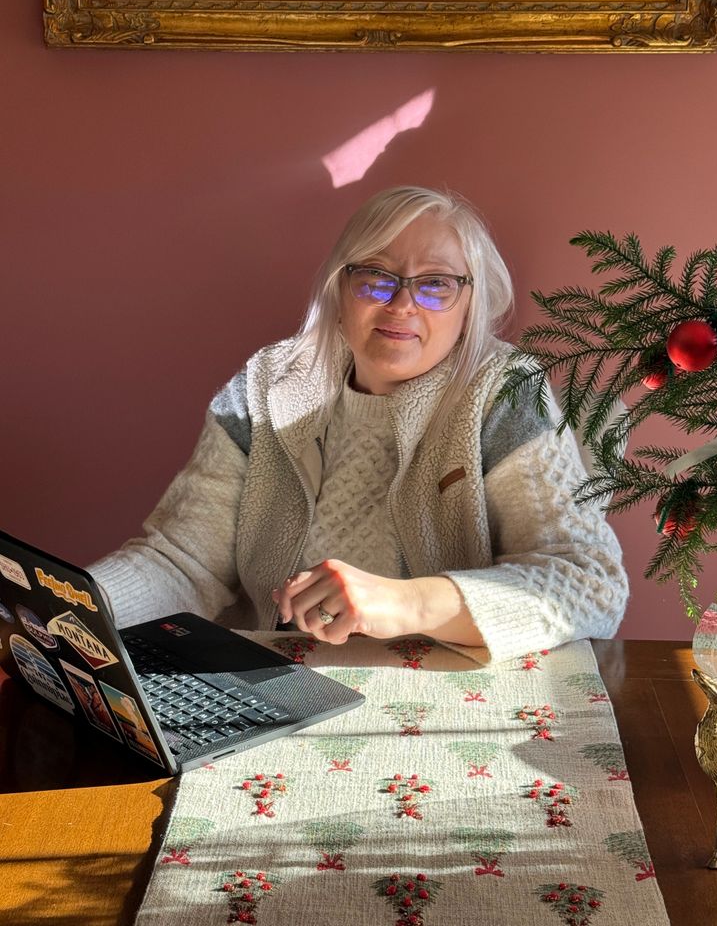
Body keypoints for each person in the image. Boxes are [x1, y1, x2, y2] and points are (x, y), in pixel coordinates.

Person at [90, 186, 628, 663]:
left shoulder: (504, 393)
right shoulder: (267, 383)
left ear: (471, 303)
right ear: (339, 288)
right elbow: (183, 563)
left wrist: (403, 602)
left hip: (456, 697)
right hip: (278, 683)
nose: (401, 304)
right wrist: (69, 608)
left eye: (436, 284)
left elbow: (589, 585)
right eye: (375, 276)